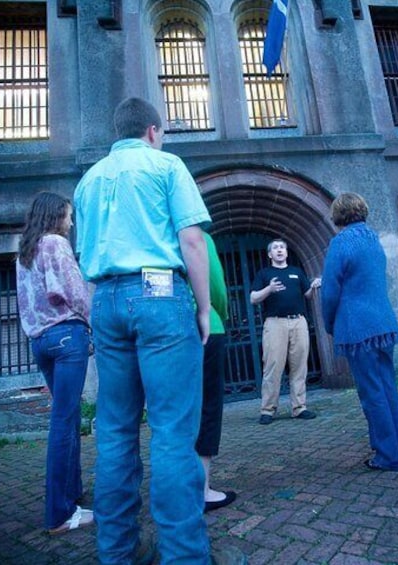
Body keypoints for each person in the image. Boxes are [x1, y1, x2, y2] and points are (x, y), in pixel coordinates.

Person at [73, 98, 245, 564]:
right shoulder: (166, 164)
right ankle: (184, 555)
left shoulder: (88, 180)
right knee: (172, 430)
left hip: (106, 297)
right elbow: (191, 239)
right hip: (160, 293)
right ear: (153, 130)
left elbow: (84, 253)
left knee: (115, 430)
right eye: (163, 132)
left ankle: (118, 552)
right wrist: (204, 310)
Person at [16, 192, 93, 534]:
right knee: (63, 422)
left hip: (40, 342)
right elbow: (75, 291)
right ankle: (60, 513)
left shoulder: (25, 251)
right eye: (68, 215)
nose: (71, 222)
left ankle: (72, 494)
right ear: (55, 215)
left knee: (69, 417)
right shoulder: (55, 244)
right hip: (66, 336)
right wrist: (95, 323)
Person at [320, 192, 398, 471]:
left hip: (357, 327)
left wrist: (328, 324)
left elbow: (329, 292)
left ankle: (388, 456)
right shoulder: (374, 239)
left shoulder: (341, 243)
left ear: (338, 215)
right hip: (383, 324)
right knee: (387, 388)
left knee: (371, 393)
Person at [250, 239, 321, 424]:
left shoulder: (297, 272)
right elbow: (253, 298)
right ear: (270, 254)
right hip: (275, 324)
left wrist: (313, 287)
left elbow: (307, 295)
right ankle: (267, 410)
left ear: (286, 253)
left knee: (299, 366)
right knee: (273, 366)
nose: (280, 250)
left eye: (282, 247)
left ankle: (299, 407)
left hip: (298, 322)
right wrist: (269, 289)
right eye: (275, 248)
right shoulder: (264, 274)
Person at [200, 232, 237, 512]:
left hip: (166, 329)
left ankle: (176, 488)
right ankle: (202, 490)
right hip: (206, 327)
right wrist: (218, 315)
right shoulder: (198, 235)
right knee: (208, 409)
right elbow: (216, 286)